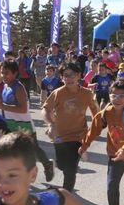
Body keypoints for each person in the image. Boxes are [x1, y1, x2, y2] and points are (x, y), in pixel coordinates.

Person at [42, 63, 99, 195]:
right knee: (62, 165)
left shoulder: (86, 94)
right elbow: (45, 110)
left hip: (79, 136)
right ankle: (56, 165)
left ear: (79, 75)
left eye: (72, 75)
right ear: (62, 78)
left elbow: (96, 113)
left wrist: (95, 128)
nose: (69, 78)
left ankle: (65, 199)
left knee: (70, 169)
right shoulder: (58, 93)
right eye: (66, 76)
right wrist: (51, 124)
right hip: (60, 136)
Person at [0, 60, 54, 183]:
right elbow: (4, 107)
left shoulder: (19, 88)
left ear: (15, 73)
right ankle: (19, 176)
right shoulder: (6, 86)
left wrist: (2, 106)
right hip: (10, 125)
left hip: (24, 126)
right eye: (2, 73)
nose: (3, 76)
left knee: (35, 150)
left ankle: (47, 165)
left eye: (6, 73)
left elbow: (23, 109)